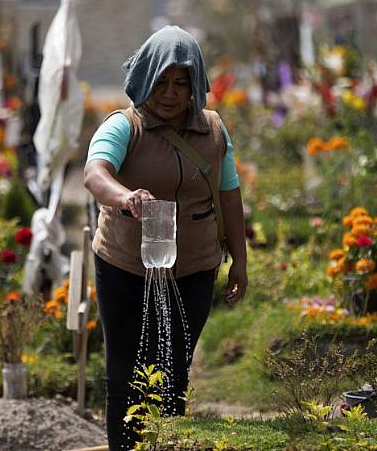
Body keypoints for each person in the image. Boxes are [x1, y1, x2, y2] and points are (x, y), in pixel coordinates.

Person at [84, 26, 248, 450]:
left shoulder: (213, 131)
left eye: (181, 83)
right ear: (144, 77)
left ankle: (165, 445)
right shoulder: (125, 126)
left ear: (195, 85)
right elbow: (95, 174)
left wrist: (240, 265)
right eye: (161, 81)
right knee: (125, 372)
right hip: (125, 265)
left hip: (193, 267)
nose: (171, 94)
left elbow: (230, 198)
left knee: (174, 370)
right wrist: (126, 197)